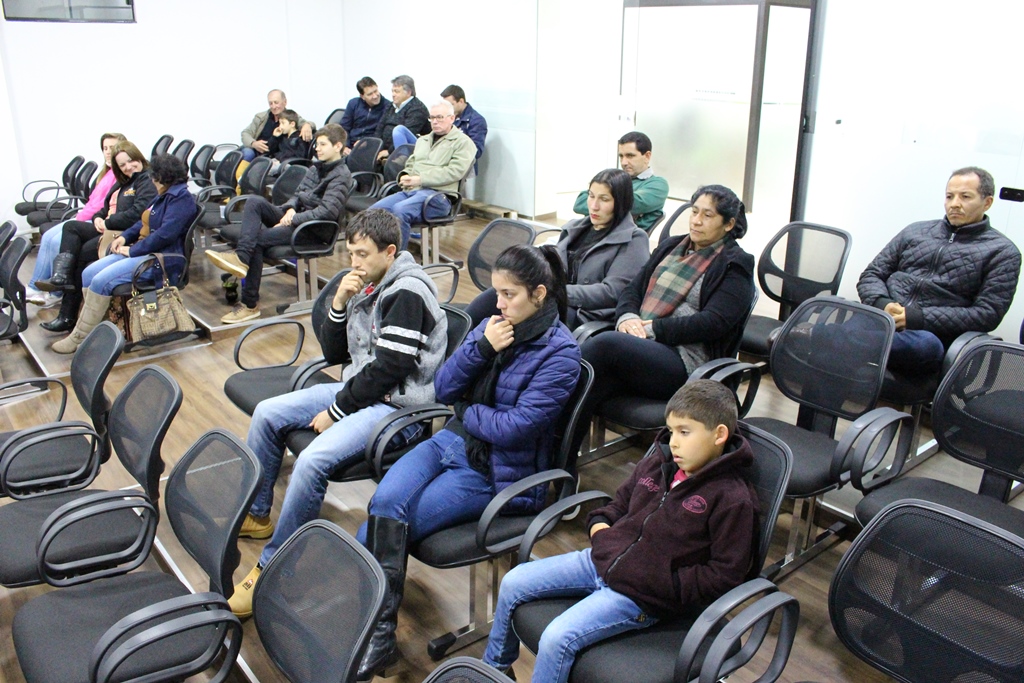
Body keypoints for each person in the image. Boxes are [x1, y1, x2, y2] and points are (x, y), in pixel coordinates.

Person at [355, 244, 582, 680]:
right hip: (451, 442)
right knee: (382, 506)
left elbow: (515, 428)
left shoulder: (561, 354)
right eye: (497, 292)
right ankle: (379, 636)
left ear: (538, 294)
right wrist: (481, 347)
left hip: (495, 469)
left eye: (509, 294)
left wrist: (466, 410)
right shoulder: (492, 328)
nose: (499, 303)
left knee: (375, 531)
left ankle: (376, 634)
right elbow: (443, 388)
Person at [225, 209, 449, 620]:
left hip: (396, 409)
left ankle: (274, 568)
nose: (354, 263)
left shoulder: (408, 292)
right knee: (267, 413)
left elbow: (390, 370)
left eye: (363, 254)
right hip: (363, 389)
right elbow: (335, 353)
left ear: (390, 252)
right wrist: (340, 303)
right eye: (350, 254)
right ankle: (257, 514)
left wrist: (336, 410)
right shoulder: (369, 284)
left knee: (312, 461)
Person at [483, 379, 759, 682]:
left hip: (641, 596)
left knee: (556, 638)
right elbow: (616, 506)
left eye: (684, 432)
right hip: (600, 560)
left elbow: (725, 574)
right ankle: (495, 670)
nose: (674, 442)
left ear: (719, 434)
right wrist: (601, 530)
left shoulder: (732, 498)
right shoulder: (657, 463)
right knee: (513, 581)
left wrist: (665, 582)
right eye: (671, 431)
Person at [567, 184, 754, 458]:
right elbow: (633, 289)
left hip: (687, 363)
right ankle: (560, 461)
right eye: (694, 212)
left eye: (708, 215)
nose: (696, 221)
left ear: (728, 224)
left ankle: (548, 395)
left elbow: (713, 323)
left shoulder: (734, 265)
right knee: (591, 383)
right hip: (643, 348)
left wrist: (653, 329)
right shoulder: (671, 246)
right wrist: (628, 317)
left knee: (604, 345)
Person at [857, 166, 1021, 375]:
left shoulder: (1003, 252)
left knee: (922, 345)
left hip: (929, 335)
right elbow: (871, 274)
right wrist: (884, 304)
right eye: (949, 196)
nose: (954, 204)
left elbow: (987, 314)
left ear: (987, 202)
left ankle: (846, 340)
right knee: (834, 318)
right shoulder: (915, 231)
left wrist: (915, 317)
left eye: (965, 197)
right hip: (884, 320)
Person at [466, 168, 649, 329]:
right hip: (553, 298)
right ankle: (459, 335)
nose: (594, 206)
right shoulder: (575, 227)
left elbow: (613, 292)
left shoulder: (634, 239)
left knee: (519, 309)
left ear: (621, 202)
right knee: (503, 294)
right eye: (591, 196)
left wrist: (557, 292)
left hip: (583, 313)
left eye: (604, 199)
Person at [206, 123, 353, 324]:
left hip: (314, 229)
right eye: (317, 144)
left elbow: (327, 211)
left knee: (257, 240)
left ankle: (249, 305)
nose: (317, 148)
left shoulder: (341, 175)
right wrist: (291, 208)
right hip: (296, 218)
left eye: (322, 144)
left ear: (338, 146)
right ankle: (241, 257)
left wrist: (293, 218)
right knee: (254, 202)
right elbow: (298, 195)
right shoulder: (315, 168)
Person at [51, 154, 195, 354]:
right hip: (145, 251)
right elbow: (142, 221)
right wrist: (125, 237)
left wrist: (133, 250)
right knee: (88, 273)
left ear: (162, 178)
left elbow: (164, 235)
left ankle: (80, 337)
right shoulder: (163, 194)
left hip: (159, 261)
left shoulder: (181, 199)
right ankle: (97, 330)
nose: (151, 180)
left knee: (100, 280)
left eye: (154, 177)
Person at [36, 141, 157, 333]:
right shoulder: (123, 181)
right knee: (71, 228)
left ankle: (67, 314)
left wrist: (108, 222)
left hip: (124, 233)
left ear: (139, 158)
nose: (128, 167)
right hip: (108, 228)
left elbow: (137, 214)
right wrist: (98, 218)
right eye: (122, 165)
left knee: (80, 253)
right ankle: (62, 277)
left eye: (131, 161)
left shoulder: (146, 180)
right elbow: (104, 208)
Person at [26, 132, 126, 307]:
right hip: (85, 216)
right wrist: (79, 216)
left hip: (96, 220)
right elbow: (92, 201)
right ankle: (35, 286)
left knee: (57, 241)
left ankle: (56, 292)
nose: (108, 152)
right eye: (105, 148)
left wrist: (81, 217)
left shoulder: (120, 175)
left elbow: (101, 207)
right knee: (48, 236)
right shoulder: (106, 174)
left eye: (112, 148)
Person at [369, 100, 476, 249]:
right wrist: (404, 175)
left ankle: (399, 257)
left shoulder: (463, 143)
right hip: (412, 191)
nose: (435, 122)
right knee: (373, 213)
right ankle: (381, 255)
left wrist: (420, 179)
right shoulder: (423, 140)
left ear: (452, 118)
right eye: (432, 118)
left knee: (400, 210)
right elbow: (411, 163)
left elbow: (454, 171)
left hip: (438, 197)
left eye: (440, 117)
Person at [573, 131, 669, 233]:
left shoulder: (658, 185)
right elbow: (579, 203)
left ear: (647, 156)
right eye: (621, 156)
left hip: (621, 239)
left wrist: (597, 200)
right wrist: (606, 203)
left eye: (630, 156)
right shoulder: (614, 178)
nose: (624, 162)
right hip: (592, 234)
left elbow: (628, 204)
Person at [240, 89, 313, 162]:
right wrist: (253, 143)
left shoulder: (290, 117)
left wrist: (307, 125)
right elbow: (245, 133)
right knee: (247, 153)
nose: (273, 106)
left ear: (285, 102)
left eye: (276, 102)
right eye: (270, 103)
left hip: (273, 156)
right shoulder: (260, 117)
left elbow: (308, 124)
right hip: (255, 150)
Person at [374, 75, 430, 161]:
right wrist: (376, 148)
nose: (393, 95)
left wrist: (389, 151)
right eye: (392, 91)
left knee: (399, 130)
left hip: (406, 152)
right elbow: (380, 128)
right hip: (383, 149)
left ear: (408, 92)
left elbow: (405, 136)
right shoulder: (390, 106)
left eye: (396, 92)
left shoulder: (417, 108)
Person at [340, 76, 390, 155]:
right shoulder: (353, 104)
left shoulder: (388, 107)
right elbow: (344, 127)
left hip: (371, 146)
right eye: (370, 94)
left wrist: (366, 142)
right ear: (362, 96)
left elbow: (383, 133)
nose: (375, 96)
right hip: (351, 144)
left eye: (375, 91)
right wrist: (345, 146)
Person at [440, 84, 488, 165]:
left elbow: (476, 151)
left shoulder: (477, 121)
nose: (448, 109)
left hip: (463, 166)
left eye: (451, 105)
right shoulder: (447, 116)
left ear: (461, 101)